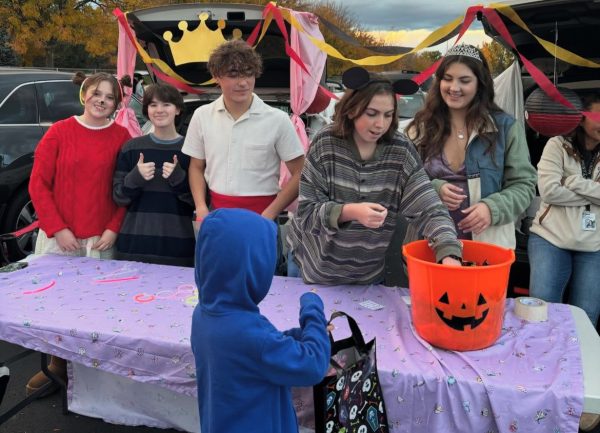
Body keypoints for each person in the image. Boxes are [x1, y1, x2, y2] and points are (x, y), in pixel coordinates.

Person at [287, 67, 463, 285]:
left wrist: (448, 252)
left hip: (366, 275)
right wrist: (348, 212)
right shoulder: (326, 144)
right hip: (313, 269)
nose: (380, 124)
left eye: (388, 115)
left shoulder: (401, 151)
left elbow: (429, 207)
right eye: (372, 114)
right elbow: (306, 213)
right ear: (351, 110)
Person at [27, 72, 131, 395]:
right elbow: (38, 184)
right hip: (62, 241)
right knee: (57, 307)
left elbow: (125, 189)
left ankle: (89, 375)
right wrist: (57, 228)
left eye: (109, 96)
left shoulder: (122, 137)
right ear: (85, 95)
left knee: (97, 310)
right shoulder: (59, 132)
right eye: (97, 93)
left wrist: (114, 227)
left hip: (100, 240)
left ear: (116, 103)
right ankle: (56, 366)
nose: (101, 100)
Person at [191, 208, 330, 433]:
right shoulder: (251, 334)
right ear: (253, 268)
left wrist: (298, 335)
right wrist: (312, 309)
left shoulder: (203, 315)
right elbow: (313, 366)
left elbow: (249, 353)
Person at [406, 44, 537, 248]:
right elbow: (404, 181)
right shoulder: (422, 127)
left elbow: (524, 185)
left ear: (480, 84)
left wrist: (492, 208)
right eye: (447, 79)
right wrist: (434, 188)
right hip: (428, 243)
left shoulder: (505, 128)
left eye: (464, 80)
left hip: (487, 248)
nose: (454, 88)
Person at [182, 39, 305, 222]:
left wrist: (270, 213)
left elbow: (300, 173)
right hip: (216, 214)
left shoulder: (278, 120)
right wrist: (200, 207)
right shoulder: (202, 116)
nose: (243, 83)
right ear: (216, 76)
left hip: (263, 216)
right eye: (233, 75)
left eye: (249, 74)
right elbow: (196, 167)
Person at [528, 93, 600, 327]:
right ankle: (538, 360)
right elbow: (549, 191)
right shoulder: (557, 144)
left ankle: (577, 363)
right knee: (541, 310)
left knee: (586, 315)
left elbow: (559, 189)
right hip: (550, 238)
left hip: (594, 244)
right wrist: (593, 192)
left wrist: (573, 182)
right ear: (581, 118)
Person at [113, 83, 195, 266]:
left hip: (179, 248)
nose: (159, 110)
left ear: (178, 110)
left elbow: (200, 201)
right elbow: (118, 197)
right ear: (147, 110)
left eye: (166, 104)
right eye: (153, 105)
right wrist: (135, 177)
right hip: (134, 246)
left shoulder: (191, 151)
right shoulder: (131, 148)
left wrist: (179, 179)